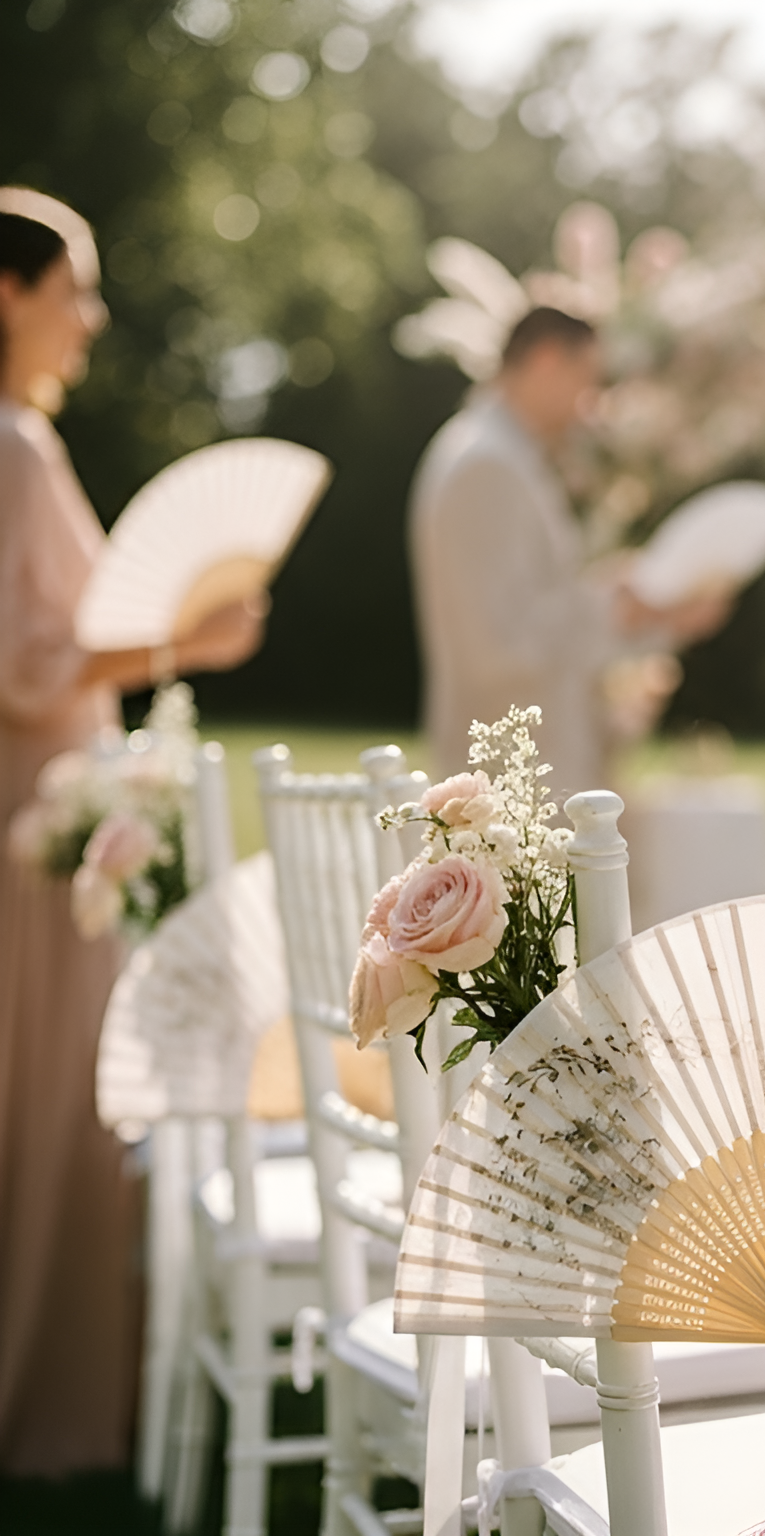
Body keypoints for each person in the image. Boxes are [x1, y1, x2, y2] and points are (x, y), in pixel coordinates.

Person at [0, 194, 262, 1474]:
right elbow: (23, 657)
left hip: (46, 813)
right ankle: (42, 1396)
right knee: (48, 1106)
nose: (93, 317)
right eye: (76, 288)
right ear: (9, 292)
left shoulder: (22, 442)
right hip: (28, 827)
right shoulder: (10, 448)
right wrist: (182, 644)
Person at [409, 306, 723, 793]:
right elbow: (497, 644)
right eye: (588, 378)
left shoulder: (505, 458)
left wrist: (653, 617)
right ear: (548, 359)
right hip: (513, 786)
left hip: (535, 774)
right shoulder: (485, 465)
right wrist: (620, 603)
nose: (592, 403)